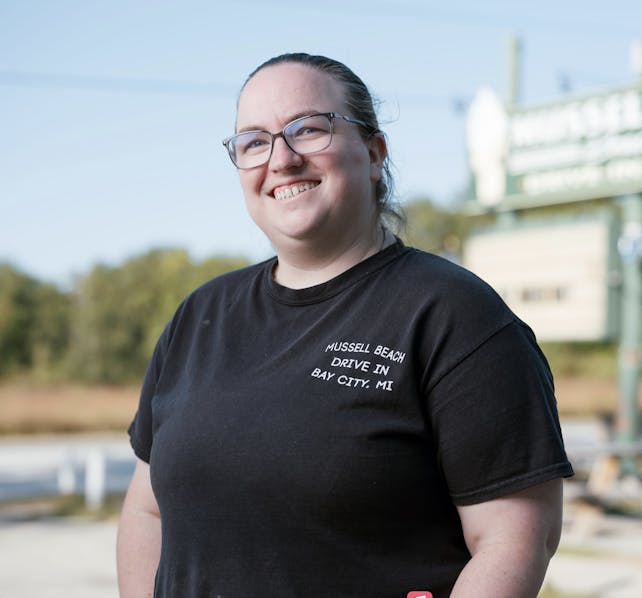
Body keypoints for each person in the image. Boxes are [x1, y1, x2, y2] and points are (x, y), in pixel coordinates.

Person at [116, 52, 574, 598]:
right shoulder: (200, 315)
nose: (281, 159)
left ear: (375, 153)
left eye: (308, 129)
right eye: (255, 142)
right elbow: (147, 510)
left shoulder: (453, 315)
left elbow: (516, 539)